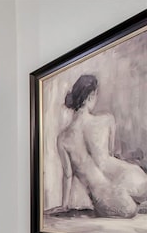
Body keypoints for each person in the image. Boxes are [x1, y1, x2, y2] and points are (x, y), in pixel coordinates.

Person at [50, 74, 147, 218]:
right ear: (91, 96)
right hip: (133, 177)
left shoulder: (63, 139)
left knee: (130, 209)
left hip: (107, 198)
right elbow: (110, 155)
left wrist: (64, 206)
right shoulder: (107, 120)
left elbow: (68, 175)